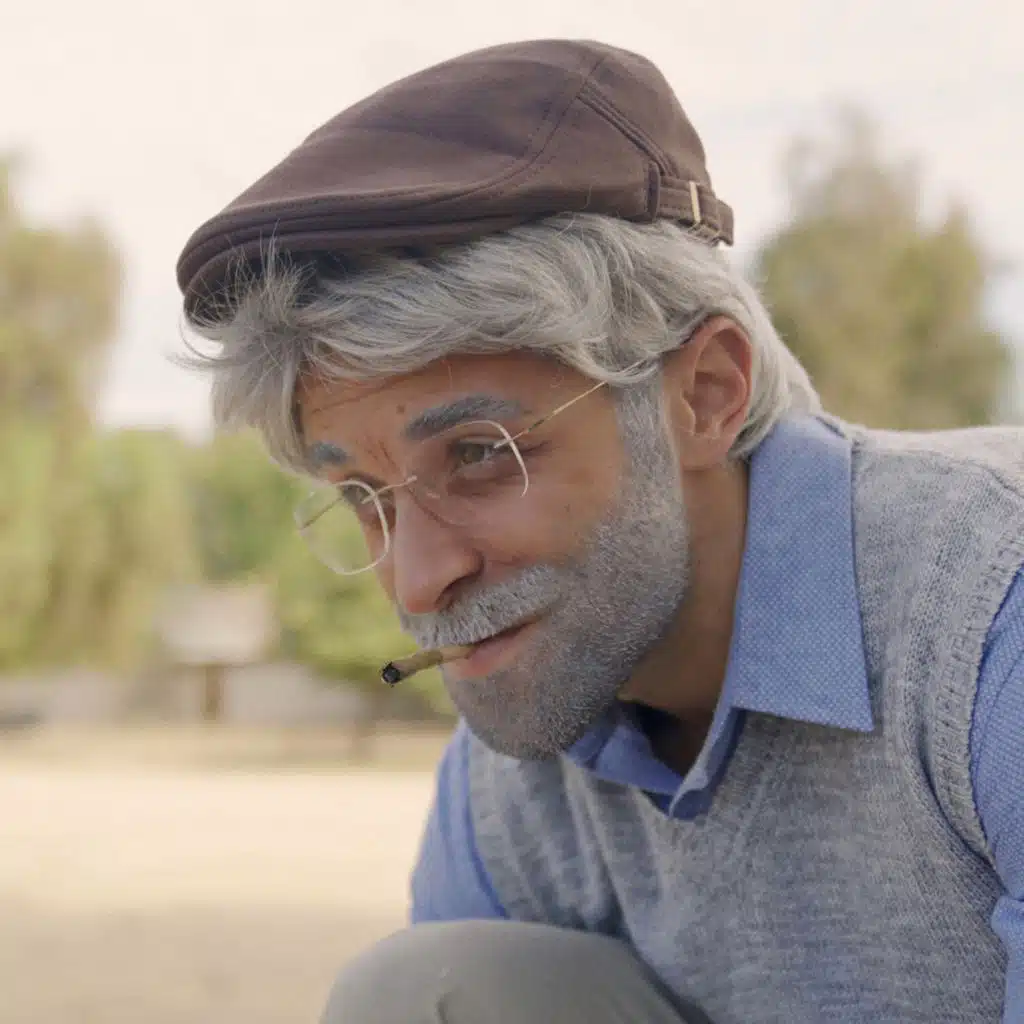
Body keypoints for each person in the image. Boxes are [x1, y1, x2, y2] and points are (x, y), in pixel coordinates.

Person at [176, 39, 1024, 1024]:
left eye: (479, 453)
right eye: (366, 496)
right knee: (427, 992)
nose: (416, 581)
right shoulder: (522, 734)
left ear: (706, 393)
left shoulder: (983, 617)